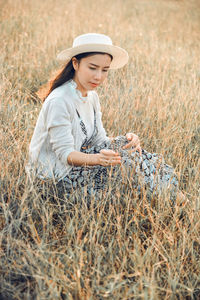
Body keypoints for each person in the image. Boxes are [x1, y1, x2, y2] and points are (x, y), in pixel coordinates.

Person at [26, 33, 181, 203]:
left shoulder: (91, 96)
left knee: (128, 149)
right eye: (92, 68)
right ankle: (170, 199)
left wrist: (128, 139)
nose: (99, 76)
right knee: (126, 165)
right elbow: (65, 155)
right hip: (56, 177)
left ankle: (169, 196)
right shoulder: (59, 100)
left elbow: (100, 139)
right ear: (75, 63)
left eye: (105, 70)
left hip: (80, 161)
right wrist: (98, 160)